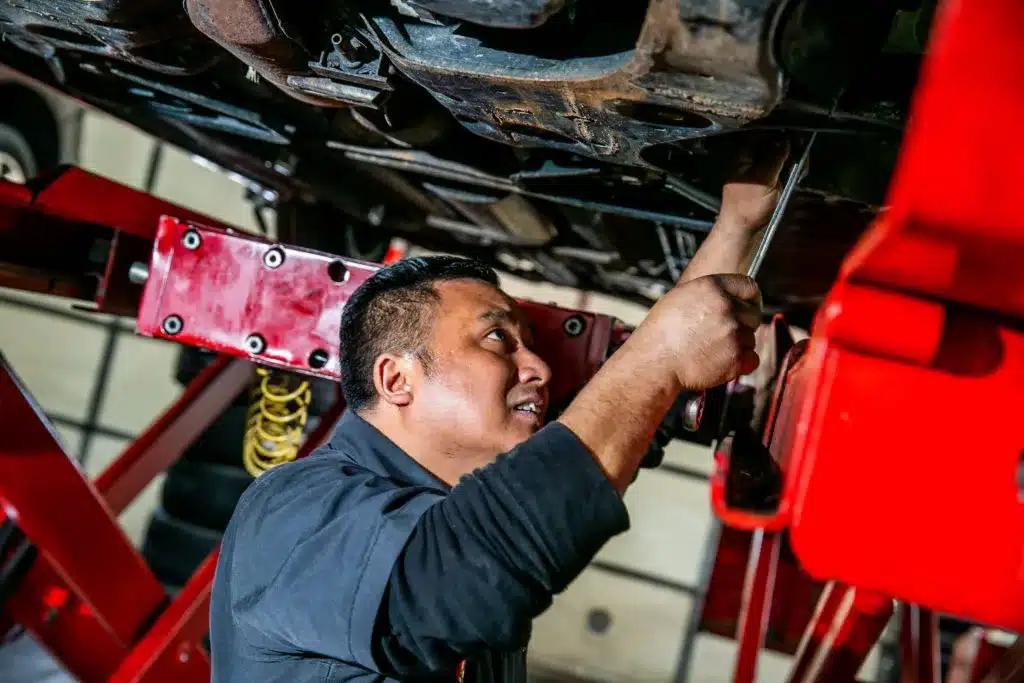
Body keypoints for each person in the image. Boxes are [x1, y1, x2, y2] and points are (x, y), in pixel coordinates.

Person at [209, 142, 790, 683]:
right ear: (395, 379)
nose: (538, 366)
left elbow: (620, 431)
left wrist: (737, 224)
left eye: (528, 341)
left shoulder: (456, 515)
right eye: (497, 339)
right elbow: (462, 574)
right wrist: (659, 356)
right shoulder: (288, 511)